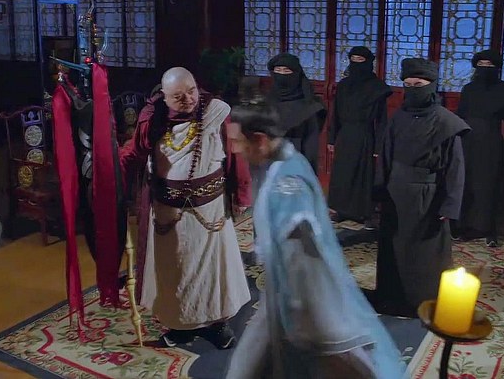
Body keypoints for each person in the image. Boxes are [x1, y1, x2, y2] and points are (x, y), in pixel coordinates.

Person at [224, 96, 406, 379]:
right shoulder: (283, 159)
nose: (234, 149)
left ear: (259, 140)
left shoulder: (287, 187)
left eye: (238, 142)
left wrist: (302, 320)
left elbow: (302, 262)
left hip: (304, 302)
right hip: (280, 293)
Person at [119, 67, 252, 349]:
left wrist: (242, 194)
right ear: (164, 97)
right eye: (178, 97)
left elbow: (236, 154)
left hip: (211, 211)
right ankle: (180, 325)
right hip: (168, 212)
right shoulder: (152, 118)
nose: (189, 99)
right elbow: (134, 152)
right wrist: (109, 164)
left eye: (192, 91)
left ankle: (217, 324)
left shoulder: (218, 112)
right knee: (175, 270)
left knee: (212, 270)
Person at [370, 58, 469, 318]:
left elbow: (455, 168)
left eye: (418, 84)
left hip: (428, 198)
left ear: (431, 85)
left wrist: (449, 205)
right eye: (408, 84)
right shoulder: (398, 118)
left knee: (425, 253)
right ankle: (392, 298)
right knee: (394, 250)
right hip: (396, 195)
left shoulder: (447, 122)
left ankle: (423, 301)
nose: (412, 89)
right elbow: (386, 156)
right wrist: (379, 190)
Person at [456, 49, 504, 247]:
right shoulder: (468, 89)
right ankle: (464, 227)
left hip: (491, 145)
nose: (485, 68)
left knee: (489, 187)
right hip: (467, 142)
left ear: (497, 68)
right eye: (481, 65)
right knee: (466, 184)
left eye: (489, 65)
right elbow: (460, 116)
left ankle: (490, 230)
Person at [327, 46, 393, 225]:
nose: (356, 63)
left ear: (368, 62)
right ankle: (340, 209)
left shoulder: (377, 88)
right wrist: (332, 138)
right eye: (353, 60)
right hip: (345, 135)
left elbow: (381, 120)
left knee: (362, 174)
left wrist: (379, 145)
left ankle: (362, 212)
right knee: (342, 173)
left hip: (365, 135)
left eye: (360, 60)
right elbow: (336, 114)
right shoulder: (344, 85)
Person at [266, 53, 327, 172]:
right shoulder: (267, 101)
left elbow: (311, 147)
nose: (281, 75)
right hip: (268, 163)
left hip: (296, 164)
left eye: (286, 71)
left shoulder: (309, 107)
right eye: (278, 70)